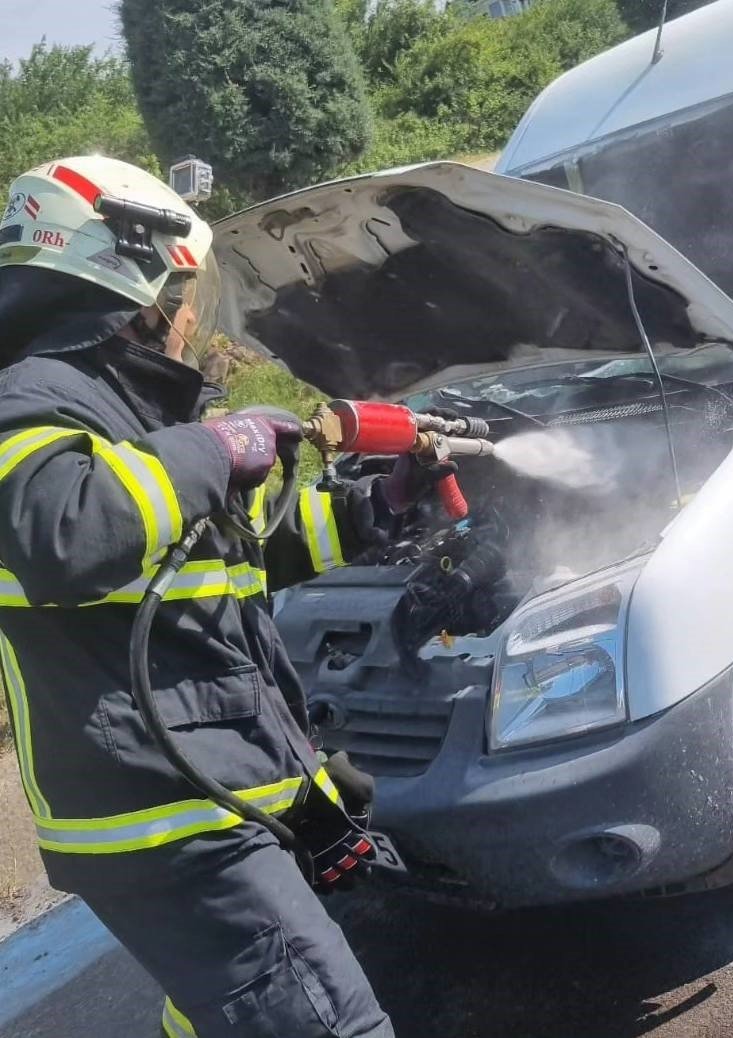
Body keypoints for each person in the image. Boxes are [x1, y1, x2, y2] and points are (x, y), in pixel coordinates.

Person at [0, 156, 424, 1037]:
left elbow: (226, 562)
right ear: (132, 272)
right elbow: (62, 534)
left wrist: (375, 507)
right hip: (162, 816)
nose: (193, 317)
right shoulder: (27, 399)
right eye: (185, 288)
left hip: (204, 790)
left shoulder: (119, 408)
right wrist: (215, 448)